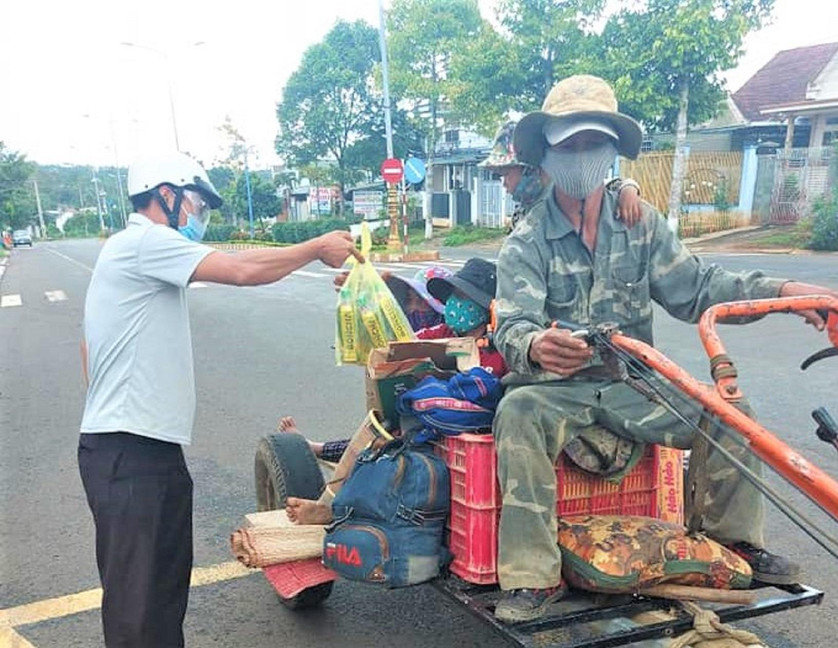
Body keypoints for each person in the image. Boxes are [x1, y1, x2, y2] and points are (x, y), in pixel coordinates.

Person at [490, 75, 838, 624]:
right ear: (548, 154)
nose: (582, 156)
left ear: (611, 152)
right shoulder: (526, 241)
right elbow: (509, 326)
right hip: (559, 391)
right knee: (516, 410)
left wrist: (786, 294)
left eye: (593, 144)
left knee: (730, 413)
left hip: (635, 386)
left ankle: (732, 545)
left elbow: (698, 287)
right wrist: (535, 346)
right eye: (570, 145)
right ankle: (532, 577)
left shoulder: (640, 223)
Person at [77, 151, 361, 648]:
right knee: (139, 607)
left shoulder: (134, 253)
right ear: (166, 195)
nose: (199, 215)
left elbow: (87, 347)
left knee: (161, 596)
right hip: (128, 450)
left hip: (142, 447)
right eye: (196, 203)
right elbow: (241, 269)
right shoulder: (144, 241)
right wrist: (315, 247)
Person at [284, 258, 506, 524]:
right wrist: (362, 298)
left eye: (464, 297)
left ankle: (331, 488)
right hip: (428, 426)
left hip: (472, 436)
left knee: (389, 447)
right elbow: (399, 344)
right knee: (380, 428)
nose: (456, 303)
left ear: (487, 307)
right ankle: (329, 504)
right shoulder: (444, 332)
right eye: (454, 296)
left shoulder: (503, 347)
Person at [478, 119, 643, 231]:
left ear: (529, 167)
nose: (504, 183)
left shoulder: (567, 192)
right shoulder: (522, 212)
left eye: (506, 174)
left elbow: (603, 188)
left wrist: (627, 187)